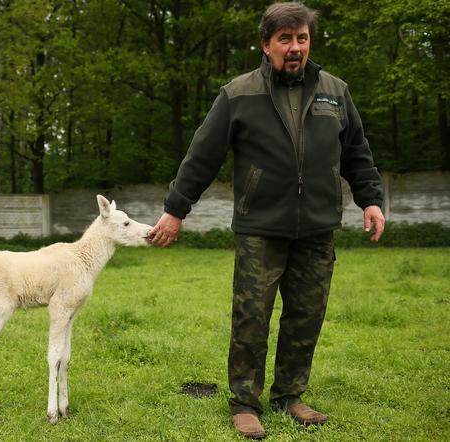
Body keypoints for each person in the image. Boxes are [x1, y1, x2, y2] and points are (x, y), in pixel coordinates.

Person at [148, 2, 385, 439]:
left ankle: (290, 395)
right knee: (251, 317)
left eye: (302, 38)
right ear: (266, 44)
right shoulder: (239, 94)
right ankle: (244, 402)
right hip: (260, 228)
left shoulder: (335, 91)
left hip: (317, 227)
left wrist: (370, 200)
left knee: (306, 316)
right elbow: (201, 157)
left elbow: (357, 153)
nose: (295, 47)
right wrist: (175, 210)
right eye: (285, 39)